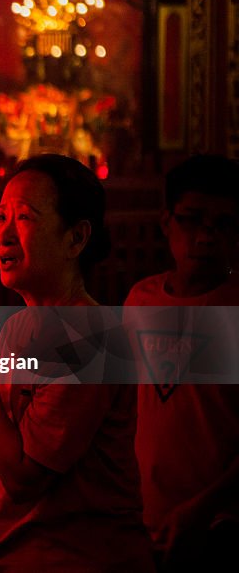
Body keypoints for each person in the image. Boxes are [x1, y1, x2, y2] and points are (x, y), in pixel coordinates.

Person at [0, 154, 153, 571]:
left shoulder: (93, 337)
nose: (4, 234)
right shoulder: (18, 329)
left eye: (24, 217)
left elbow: (25, 479)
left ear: (76, 239)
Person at [124, 154, 239, 571]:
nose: (206, 237)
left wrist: (203, 508)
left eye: (223, 224)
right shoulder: (141, 300)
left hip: (220, 523)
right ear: (166, 222)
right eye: (192, 219)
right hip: (143, 515)